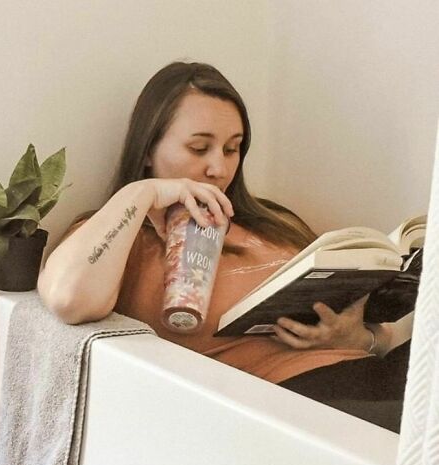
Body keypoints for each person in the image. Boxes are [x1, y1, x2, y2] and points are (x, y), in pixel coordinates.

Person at [37, 61, 409, 421]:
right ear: (148, 149)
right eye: (199, 149)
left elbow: (380, 335)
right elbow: (69, 299)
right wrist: (141, 194)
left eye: (232, 149)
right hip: (297, 401)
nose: (220, 168)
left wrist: (357, 337)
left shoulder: (272, 220)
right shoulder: (120, 233)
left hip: (375, 374)